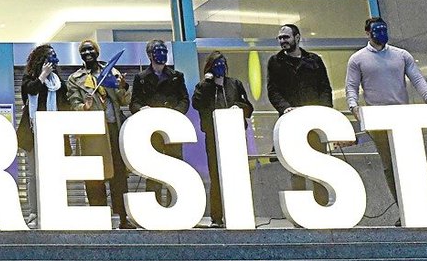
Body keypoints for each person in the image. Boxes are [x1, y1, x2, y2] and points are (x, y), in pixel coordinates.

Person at [346, 16, 427, 216]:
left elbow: (417, 78)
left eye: (384, 29)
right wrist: (353, 106)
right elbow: (351, 86)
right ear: (368, 33)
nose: (381, 33)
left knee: (413, 164)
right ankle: (404, 211)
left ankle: (425, 211)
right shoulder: (358, 59)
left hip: (403, 118)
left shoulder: (401, 55)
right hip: (378, 119)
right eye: (377, 30)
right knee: (390, 166)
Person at [66, 39, 133, 228]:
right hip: (93, 134)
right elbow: (73, 103)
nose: (88, 53)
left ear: (97, 52)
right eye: (84, 50)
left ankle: (123, 218)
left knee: (119, 176)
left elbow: (124, 100)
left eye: (91, 49)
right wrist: (84, 107)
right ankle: (99, 219)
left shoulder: (111, 71)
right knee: (94, 177)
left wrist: (123, 86)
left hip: (114, 129)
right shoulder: (75, 78)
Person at [267, 24, 334, 205]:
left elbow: (325, 88)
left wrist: (324, 112)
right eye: (280, 38)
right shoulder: (275, 62)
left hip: (314, 121)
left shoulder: (314, 60)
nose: (282, 41)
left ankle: (322, 204)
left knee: (319, 164)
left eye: (286, 37)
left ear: (297, 38)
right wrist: (285, 108)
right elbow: (273, 91)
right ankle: (302, 209)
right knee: (295, 167)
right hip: (291, 121)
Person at [191, 51, 254, 227]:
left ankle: (239, 214)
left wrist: (238, 107)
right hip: (213, 136)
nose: (220, 67)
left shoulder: (235, 84)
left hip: (234, 136)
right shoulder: (203, 86)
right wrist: (207, 84)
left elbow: (248, 107)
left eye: (222, 64)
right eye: (216, 64)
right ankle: (217, 217)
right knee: (216, 176)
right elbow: (197, 104)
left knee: (237, 176)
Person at [128, 39, 189, 208]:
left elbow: (184, 100)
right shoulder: (141, 78)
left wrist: (176, 113)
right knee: (152, 170)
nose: (162, 55)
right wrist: (142, 110)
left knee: (175, 167)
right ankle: (154, 206)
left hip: (172, 130)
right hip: (152, 130)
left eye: (164, 51)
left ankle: (174, 206)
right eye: (158, 51)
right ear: (150, 55)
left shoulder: (176, 76)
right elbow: (134, 103)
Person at [18, 45, 65, 225]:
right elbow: (30, 90)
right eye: (49, 57)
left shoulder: (58, 82)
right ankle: (34, 212)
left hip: (53, 133)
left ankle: (53, 209)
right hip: (33, 133)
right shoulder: (29, 78)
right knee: (33, 174)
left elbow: (64, 104)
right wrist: (42, 75)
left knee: (53, 173)